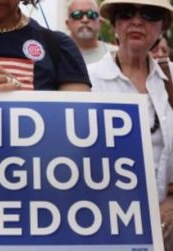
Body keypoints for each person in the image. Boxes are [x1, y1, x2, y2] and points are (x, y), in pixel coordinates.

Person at [88, 0, 173, 249]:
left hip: (167, 231)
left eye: (149, 14)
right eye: (126, 13)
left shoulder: (171, 79)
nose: (137, 21)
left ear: (162, 26)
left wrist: (170, 206)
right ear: (115, 24)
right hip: (105, 226)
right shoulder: (86, 79)